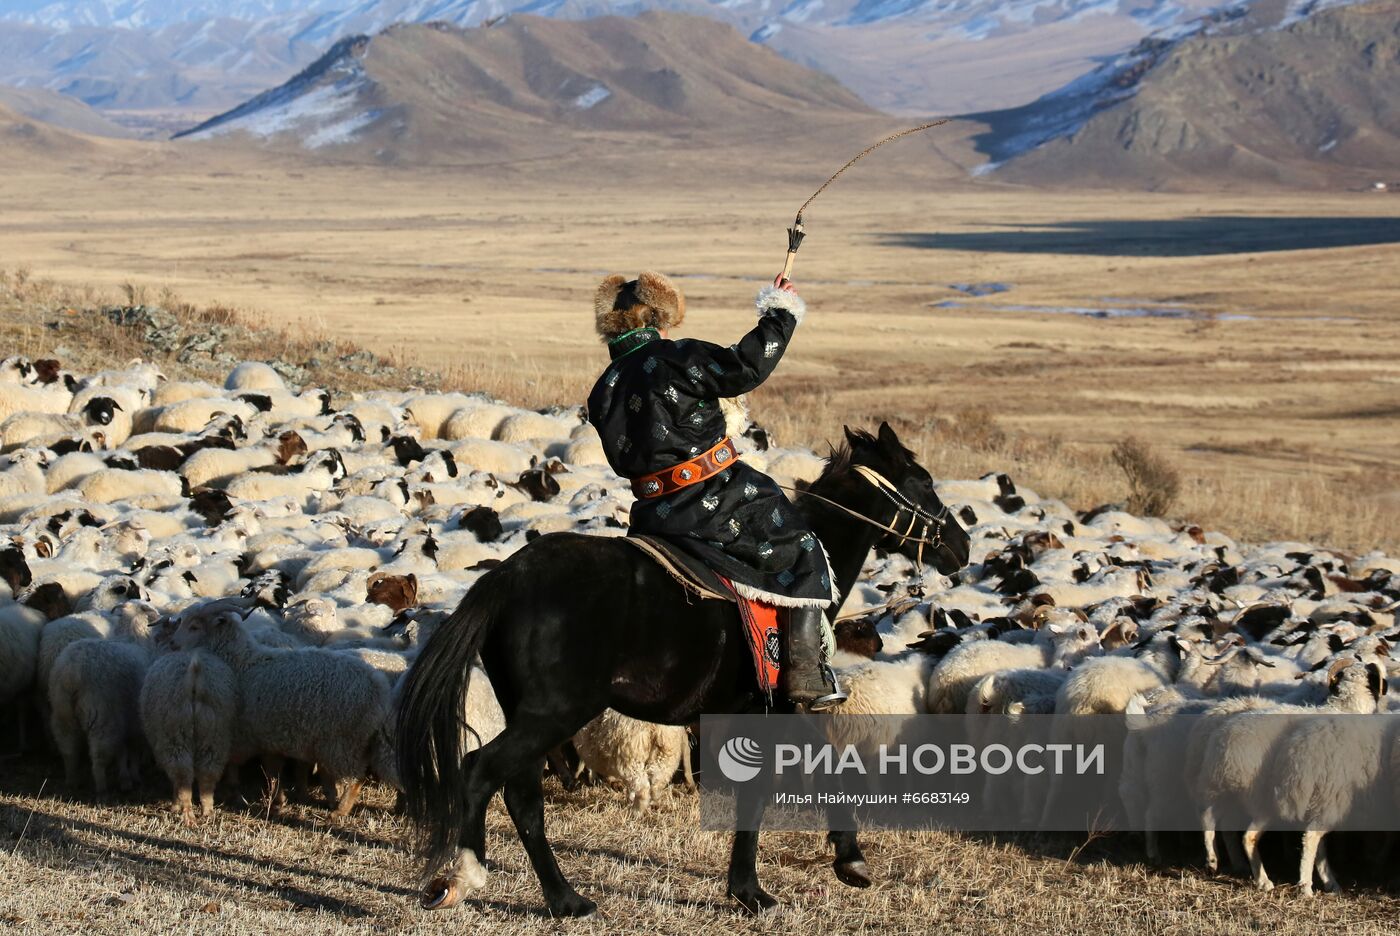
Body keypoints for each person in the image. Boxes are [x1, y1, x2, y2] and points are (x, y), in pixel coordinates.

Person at [586, 271, 846, 711]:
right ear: (656, 318)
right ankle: (806, 676)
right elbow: (745, 366)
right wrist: (779, 313)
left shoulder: (604, 386)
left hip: (651, 512)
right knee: (802, 548)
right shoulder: (674, 358)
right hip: (713, 498)